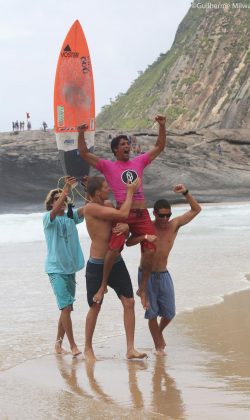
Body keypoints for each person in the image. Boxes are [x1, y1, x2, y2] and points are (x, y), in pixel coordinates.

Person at [78, 115, 166, 310]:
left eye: (128, 143)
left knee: (151, 251)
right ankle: (103, 285)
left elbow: (159, 147)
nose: (127, 146)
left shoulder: (139, 162)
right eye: (123, 144)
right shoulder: (108, 166)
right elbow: (84, 153)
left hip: (141, 214)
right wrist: (81, 133)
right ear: (116, 149)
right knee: (114, 249)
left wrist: (162, 126)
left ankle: (142, 288)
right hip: (123, 213)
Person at [126, 184, 201, 355]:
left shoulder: (174, 225)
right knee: (151, 313)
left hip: (163, 273)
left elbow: (196, 210)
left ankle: (158, 333)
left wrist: (186, 193)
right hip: (146, 274)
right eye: (162, 215)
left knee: (169, 313)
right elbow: (128, 242)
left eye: (168, 215)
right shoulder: (147, 226)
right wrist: (144, 236)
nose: (165, 219)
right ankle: (158, 346)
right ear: (155, 214)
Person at [83, 175, 147, 361]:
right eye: (105, 187)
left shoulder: (108, 205)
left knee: (129, 302)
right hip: (97, 263)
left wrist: (126, 227)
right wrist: (129, 191)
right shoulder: (91, 208)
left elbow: (120, 222)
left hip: (116, 261)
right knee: (95, 305)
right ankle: (88, 348)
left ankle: (130, 349)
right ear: (96, 193)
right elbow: (123, 214)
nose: (108, 189)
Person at [43, 177, 84, 356]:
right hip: (55, 269)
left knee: (66, 308)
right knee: (65, 307)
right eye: (56, 198)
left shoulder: (70, 218)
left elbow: (87, 209)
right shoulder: (47, 219)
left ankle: (58, 346)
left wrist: (88, 187)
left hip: (70, 270)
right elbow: (54, 210)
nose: (61, 200)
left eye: (63, 198)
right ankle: (74, 345)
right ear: (51, 203)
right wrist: (65, 189)